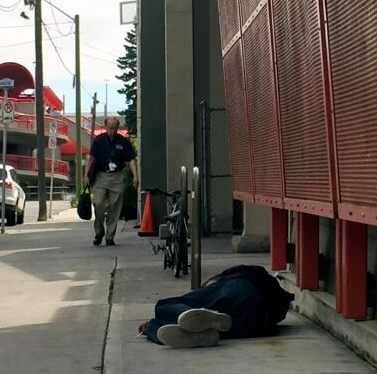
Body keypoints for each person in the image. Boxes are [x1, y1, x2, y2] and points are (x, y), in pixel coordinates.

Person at [138, 265, 295, 348]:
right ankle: (200, 330)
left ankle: (153, 327)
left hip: (240, 293)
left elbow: (217, 282)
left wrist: (207, 285)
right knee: (223, 324)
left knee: (163, 306)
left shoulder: (230, 279)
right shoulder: (264, 284)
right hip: (258, 322)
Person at [84, 117, 138, 246]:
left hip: (117, 177)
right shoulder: (99, 140)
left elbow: (131, 159)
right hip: (101, 176)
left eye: (114, 127)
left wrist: (135, 176)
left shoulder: (123, 142)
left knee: (115, 207)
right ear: (105, 126)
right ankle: (99, 232)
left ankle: (110, 236)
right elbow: (91, 158)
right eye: (110, 127)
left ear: (118, 127)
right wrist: (86, 175)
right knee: (98, 203)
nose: (112, 130)